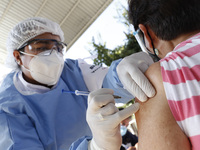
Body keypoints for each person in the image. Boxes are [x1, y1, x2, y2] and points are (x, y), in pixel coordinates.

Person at [0, 17, 144, 150]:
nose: (53, 55)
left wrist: (123, 74)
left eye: (58, 48)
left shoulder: (72, 70)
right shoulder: (7, 107)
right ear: (18, 56)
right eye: (42, 47)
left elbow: (112, 84)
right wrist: (93, 147)